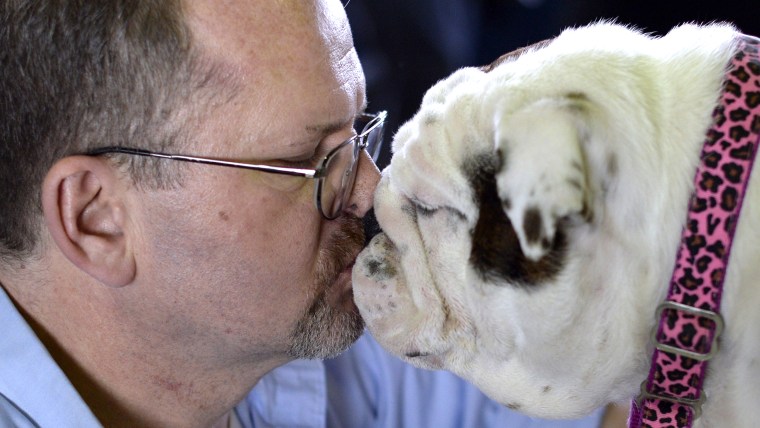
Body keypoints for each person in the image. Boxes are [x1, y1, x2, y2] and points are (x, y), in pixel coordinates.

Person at [0, 1, 609, 427]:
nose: (372, 194)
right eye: (308, 164)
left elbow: (603, 403)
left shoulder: (304, 331)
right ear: (96, 220)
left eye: (357, 136)